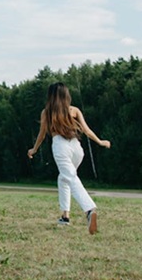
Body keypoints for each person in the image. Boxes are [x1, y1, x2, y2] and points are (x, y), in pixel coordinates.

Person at [27, 82, 111, 235]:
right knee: (64, 179)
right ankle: (65, 217)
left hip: (60, 145)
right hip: (76, 147)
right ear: (66, 95)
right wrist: (100, 141)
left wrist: (34, 149)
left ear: (51, 96)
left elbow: (41, 134)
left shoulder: (46, 112)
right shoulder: (74, 110)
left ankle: (89, 209)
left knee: (70, 177)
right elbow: (86, 130)